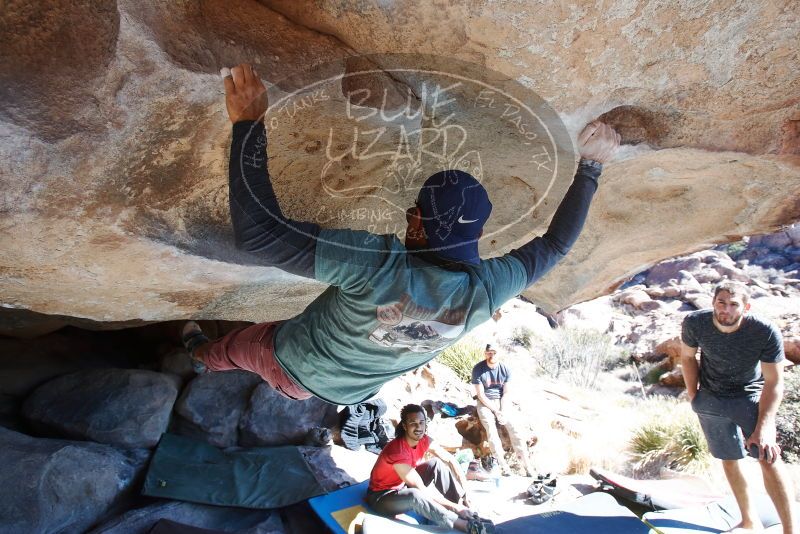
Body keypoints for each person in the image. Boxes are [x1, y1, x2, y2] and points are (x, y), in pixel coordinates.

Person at [181, 63, 620, 405]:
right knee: (283, 336)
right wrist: (593, 167)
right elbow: (556, 245)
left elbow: (259, 236)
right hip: (348, 393)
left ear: (414, 220)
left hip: (288, 363)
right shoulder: (487, 290)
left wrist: (248, 123)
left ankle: (199, 356)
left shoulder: (380, 267)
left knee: (238, 347)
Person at [680, 281, 796, 534]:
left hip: (749, 396)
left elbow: (775, 382)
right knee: (729, 458)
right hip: (711, 398)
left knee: (768, 456)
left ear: (746, 307)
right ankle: (749, 520)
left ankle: (791, 530)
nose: (726, 310)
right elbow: (687, 358)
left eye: (734, 305)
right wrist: (694, 396)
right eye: (721, 303)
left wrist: (764, 427)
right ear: (713, 303)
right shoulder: (695, 323)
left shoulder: (763, 330)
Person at [367, 404, 484, 532]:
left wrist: (466, 494)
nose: (418, 427)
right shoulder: (397, 452)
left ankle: (463, 506)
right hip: (381, 497)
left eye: (421, 423)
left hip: (401, 485)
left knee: (436, 464)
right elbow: (420, 489)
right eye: (413, 423)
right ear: (405, 426)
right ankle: (461, 523)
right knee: (415, 495)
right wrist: (453, 508)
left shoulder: (424, 440)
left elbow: (450, 460)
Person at [471, 343, 534, 476]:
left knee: (515, 429)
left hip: (501, 401)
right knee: (491, 429)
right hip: (485, 402)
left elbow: (506, 393)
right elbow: (481, 395)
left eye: (494, 352)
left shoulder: (505, 369)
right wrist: (495, 411)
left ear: (498, 354)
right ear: (485, 353)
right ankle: (503, 466)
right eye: (489, 352)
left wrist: (503, 410)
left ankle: (527, 466)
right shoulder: (478, 369)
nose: (491, 355)